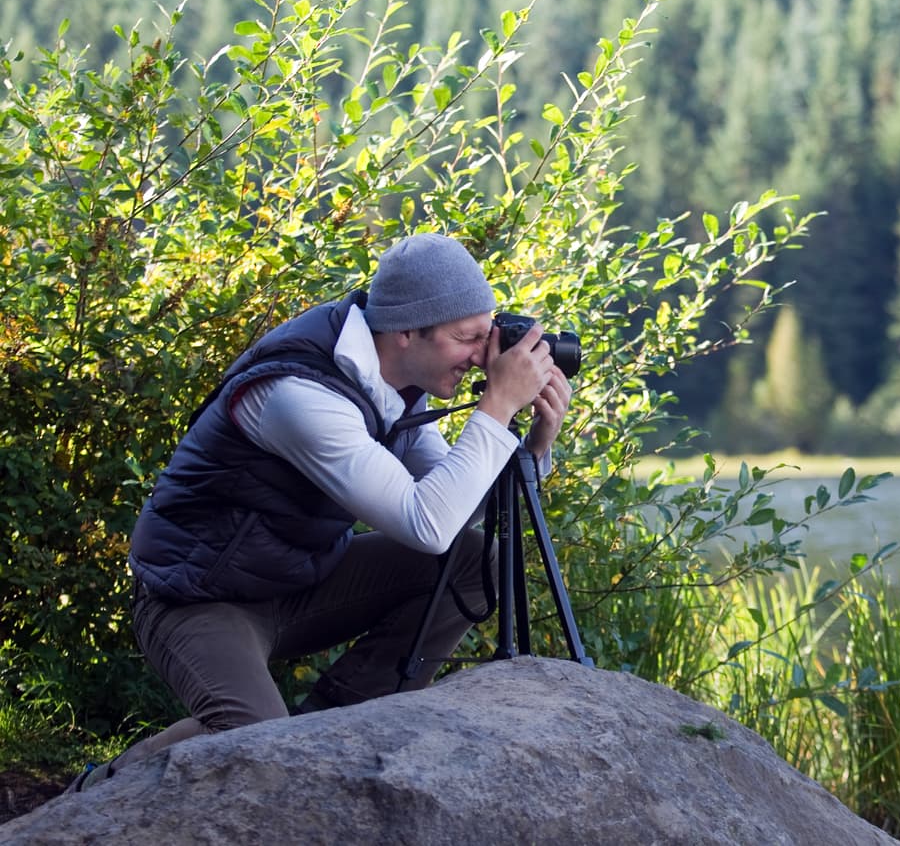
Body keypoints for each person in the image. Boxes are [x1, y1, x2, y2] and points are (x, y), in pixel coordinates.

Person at [67, 232, 572, 791]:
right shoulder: (300, 396)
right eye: (468, 338)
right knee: (263, 748)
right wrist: (497, 405)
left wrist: (535, 447)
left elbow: (450, 515)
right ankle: (96, 793)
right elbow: (426, 525)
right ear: (408, 332)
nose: (484, 355)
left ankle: (338, 730)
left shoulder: (395, 377)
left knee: (477, 562)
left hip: (298, 581)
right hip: (199, 596)